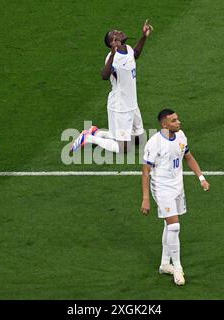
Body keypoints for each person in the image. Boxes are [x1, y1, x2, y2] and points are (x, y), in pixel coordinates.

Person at [141, 109, 210, 286]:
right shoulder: (154, 143)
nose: (179, 122)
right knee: (175, 226)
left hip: (178, 187)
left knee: (169, 225)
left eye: (177, 119)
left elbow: (188, 157)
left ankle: (165, 264)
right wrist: (146, 198)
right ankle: (177, 268)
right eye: (174, 120)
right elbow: (146, 172)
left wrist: (201, 178)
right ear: (164, 124)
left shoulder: (181, 136)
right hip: (162, 188)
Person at [70, 20, 154, 153]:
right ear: (112, 42)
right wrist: (113, 53)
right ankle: (88, 138)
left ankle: (96, 132)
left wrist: (144, 36)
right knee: (124, 148)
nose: (119, 32)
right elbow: (104, 75)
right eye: (115, 33)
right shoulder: (113, 58)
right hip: (120, 106)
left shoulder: (128, 49)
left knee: (139, 139)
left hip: (132, 103)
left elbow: (136, 54)